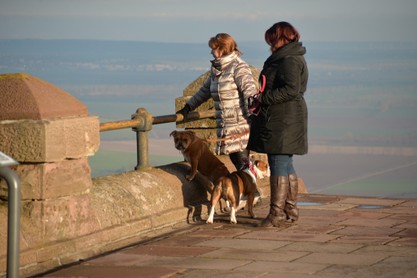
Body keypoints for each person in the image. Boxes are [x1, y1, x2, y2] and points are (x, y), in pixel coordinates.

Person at [246, 21, 309, 227]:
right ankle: (290, 210)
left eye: (271, 39)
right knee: (285, 163)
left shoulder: (288, 60)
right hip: (284, 118)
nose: (269, 44)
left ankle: (276, 215)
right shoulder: (289, 57)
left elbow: (293, 89)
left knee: (279, 164)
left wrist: (264, 98)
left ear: (280, 37)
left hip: (284, 120)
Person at [176, 33, 258, 172]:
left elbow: (249, 92)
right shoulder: (217, 69)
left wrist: (253, 114)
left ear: (222, 49)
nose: (211, 52)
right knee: (238, 162)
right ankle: (250, 191)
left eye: (213, 48)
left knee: (242, 163)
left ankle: (252, 192)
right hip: (227, 125)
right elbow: (204, 91)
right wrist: (188, 107)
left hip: (240, 124)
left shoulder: (239, 67)